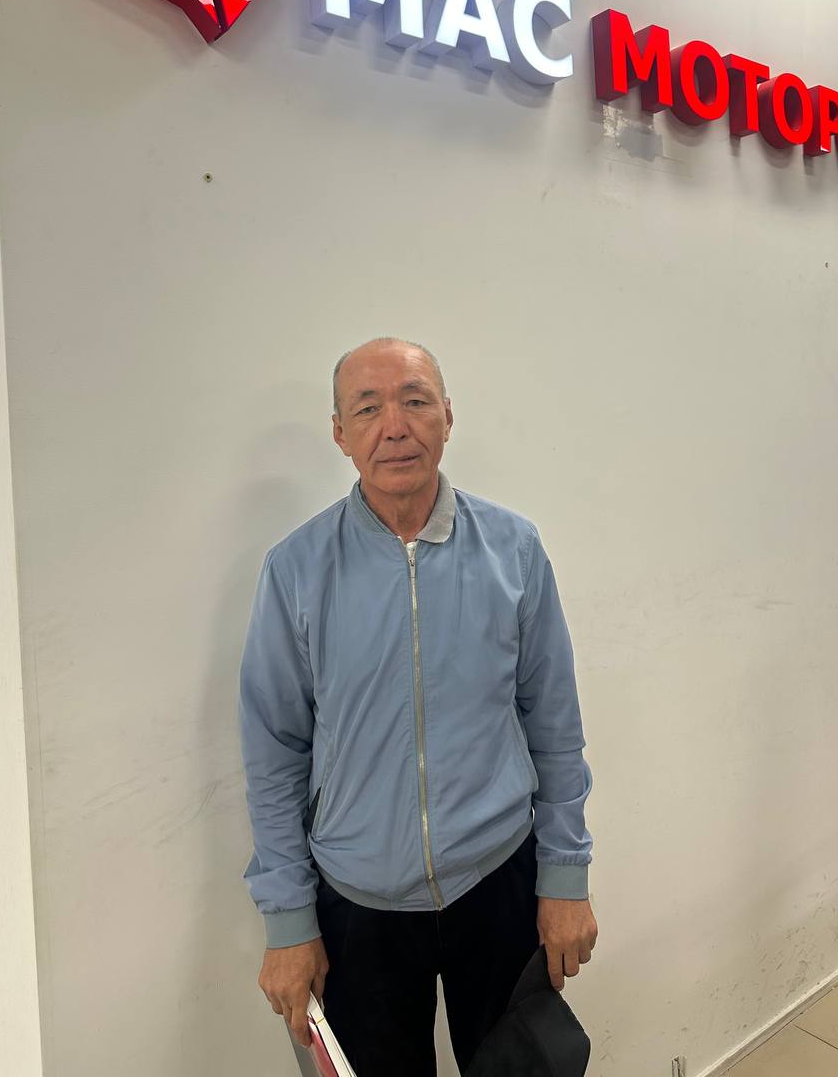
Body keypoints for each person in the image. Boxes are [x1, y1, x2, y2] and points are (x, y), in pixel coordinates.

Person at [238, 337, 597, 1076]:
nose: (394, 427)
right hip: (355, 908)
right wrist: (288, 921)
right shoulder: (296, 570)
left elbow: (555, 725)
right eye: (368, 409)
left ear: (448, 417)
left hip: (499, 883)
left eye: (415, 401)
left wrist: (565, 876)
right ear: (340, 433)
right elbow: (274, 755)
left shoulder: (514, 550)